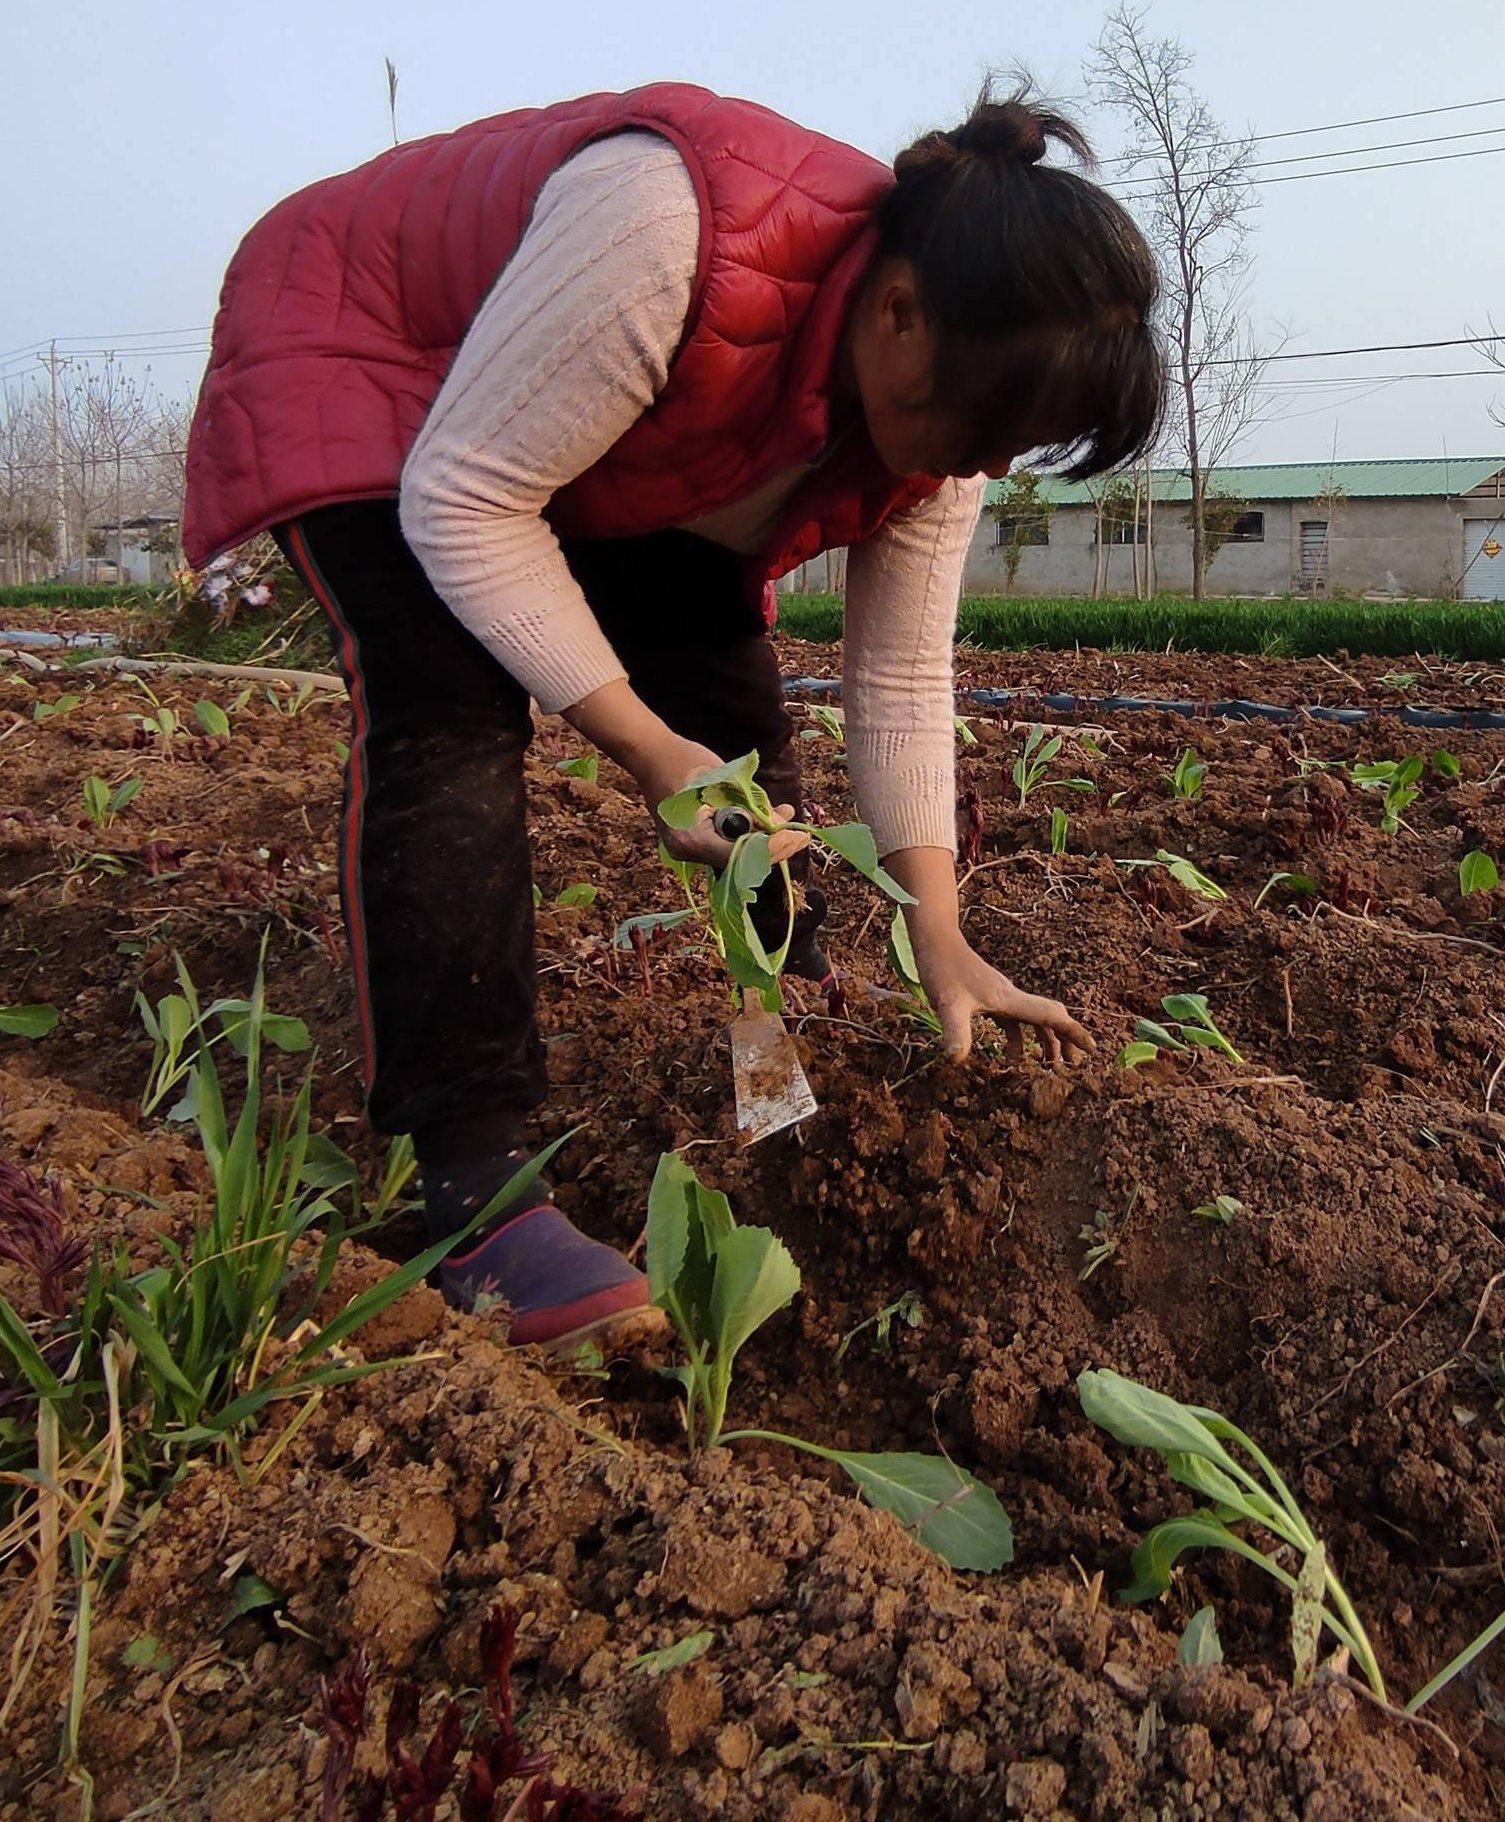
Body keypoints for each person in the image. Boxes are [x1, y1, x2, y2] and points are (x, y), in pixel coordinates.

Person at [183, 80, 1163, 1343]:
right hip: (374, 362)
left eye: (1008, 450)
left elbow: (904, 677)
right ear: (903, 313)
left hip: (614, 437)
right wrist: (648, 752)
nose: (973, 468)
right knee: (451, 703)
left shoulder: (951, 409)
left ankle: (784, 1067)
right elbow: (467, 501)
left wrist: (939, 926)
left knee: (737, 721)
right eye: (972, 431)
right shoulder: (669, 238)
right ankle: (472, 1189)